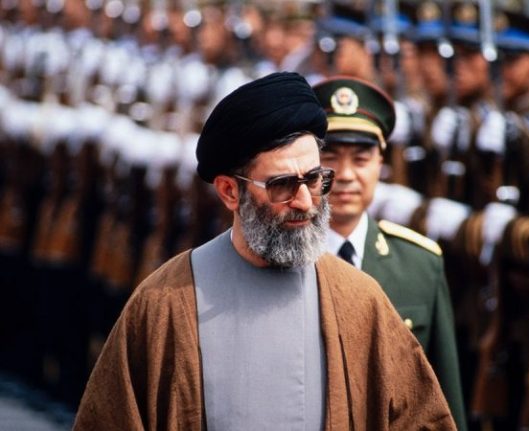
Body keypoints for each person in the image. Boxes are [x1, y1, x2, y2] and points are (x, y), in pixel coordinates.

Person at [73, 72, 456, 430]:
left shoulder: (360, 301)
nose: (304, 201)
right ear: (229, 191)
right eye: (282, 185)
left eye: (314, 179)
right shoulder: (164, 304)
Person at [313, 76, 467, 431]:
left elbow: (443, 396)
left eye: (361, 159)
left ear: (380, 163)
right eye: (330, 158)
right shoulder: (283, 260)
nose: (346, 175)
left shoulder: (419, 264)